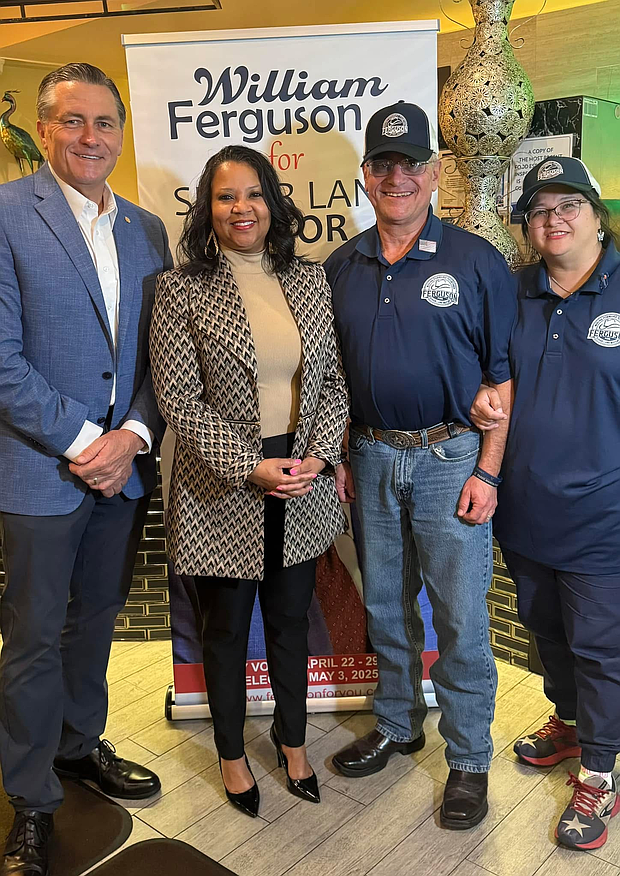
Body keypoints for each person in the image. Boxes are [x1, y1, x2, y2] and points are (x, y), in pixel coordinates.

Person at [325, 102, 516, 830]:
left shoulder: (477, 260)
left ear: (434, 174)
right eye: (383, 165)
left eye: (411, 164)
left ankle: (468, 758)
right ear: (366, 177)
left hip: (451, 456)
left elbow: (501, 379)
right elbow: (333, 377)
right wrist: (343, 454)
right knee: (385, 607)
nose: (397, 177)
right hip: (371, 456)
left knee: (462, 618)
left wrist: (488, 470)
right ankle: (400, 725)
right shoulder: (343, 265)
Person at [0, 63, 170, 875]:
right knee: (31, 635)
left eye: (104, 123)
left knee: (95, 616)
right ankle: (30, 798)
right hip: (39, 471)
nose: (90, 137)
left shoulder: (145, 229)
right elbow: (0, 363)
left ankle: (77, 745)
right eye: (73, 122)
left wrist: (133, 433)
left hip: (124, 471)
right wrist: (84, 442)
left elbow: (159, 357)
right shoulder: (3, 215)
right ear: (44, 129)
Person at [149, 144, 348, 818]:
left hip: (300, 478)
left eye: (255, 194)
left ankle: (293, 744)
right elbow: (180, 400)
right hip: (221, 484)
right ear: (207, 207)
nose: (243, 208)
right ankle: (233, 755)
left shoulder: (310, 280)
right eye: (227, 196)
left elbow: (333, 382)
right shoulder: (180, 288)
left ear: (274, 202)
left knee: (291, 620)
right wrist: (249, 466)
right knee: (227, 629)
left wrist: (317, 457)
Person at [471, 156, 620, 851]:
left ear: (598, 216)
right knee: (546, 632)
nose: (554, 219)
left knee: (599, 648)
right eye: (539, 210)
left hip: (604, 517)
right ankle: (568, 723)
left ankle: (599, 771)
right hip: (523, 512)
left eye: (569, 205)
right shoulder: (511, 291)